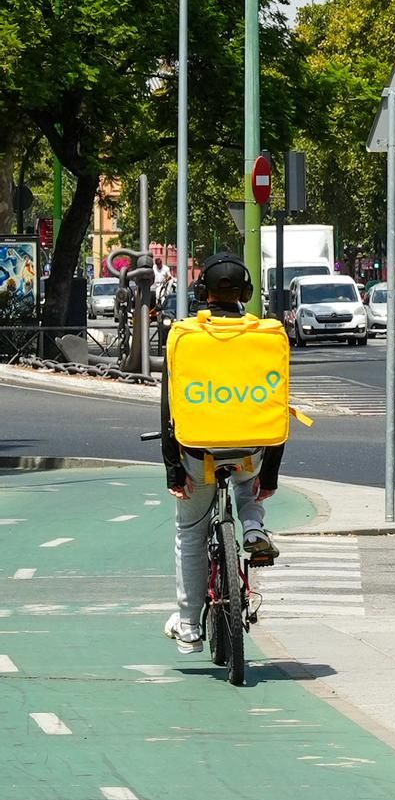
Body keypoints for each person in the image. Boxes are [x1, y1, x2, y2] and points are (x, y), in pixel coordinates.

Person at [159, 253, 284, 654]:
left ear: (202, 292)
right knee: (249, 487)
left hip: (198, 453)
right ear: (246, 293)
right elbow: (275, 406)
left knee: (190, 533)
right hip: (251, 451)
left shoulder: (184, 336)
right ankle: (253, 528)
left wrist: (173, 468)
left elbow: (170, 409)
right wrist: (271, 474)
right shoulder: (266, 335)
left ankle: (189, 625)